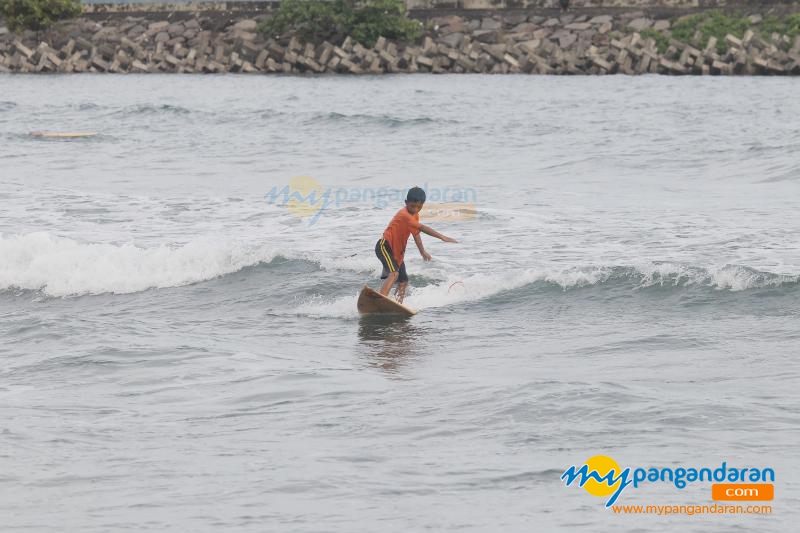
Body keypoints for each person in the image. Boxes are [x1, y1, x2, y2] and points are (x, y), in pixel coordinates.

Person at [375, 186, 457, 304]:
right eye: (412, 206)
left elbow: (416, 234)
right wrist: (442, 237)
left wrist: (422, 251)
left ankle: (397, 303)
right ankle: (380, 301)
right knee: (394, 273)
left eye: (419, 207)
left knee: (403, 281)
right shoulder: (404, 214)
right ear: (406, 202)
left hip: (397, 253)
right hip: (385, 247)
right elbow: (422, 228)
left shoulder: (415, 216)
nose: (415, 209)